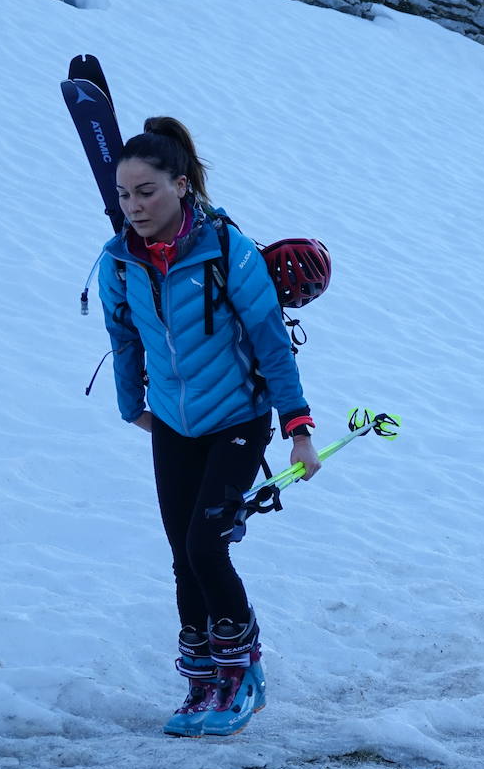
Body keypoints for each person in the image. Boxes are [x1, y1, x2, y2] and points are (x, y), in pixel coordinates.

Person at [98, 116, 322, 735]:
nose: (134, 205)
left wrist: (298, 426)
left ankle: (242, 670)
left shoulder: (227, 250)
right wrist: (131, 405)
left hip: (237, 421)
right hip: (173, 421)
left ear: (181, 186)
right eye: (123, 193)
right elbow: (122, 337)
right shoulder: (118, 262)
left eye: (147, 191)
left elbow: (272, 344)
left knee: (206, 544)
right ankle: (201, 681)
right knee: (181, 553)